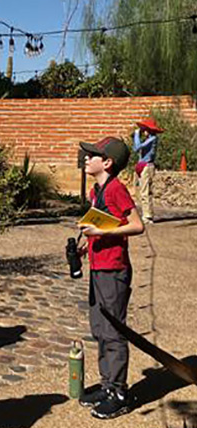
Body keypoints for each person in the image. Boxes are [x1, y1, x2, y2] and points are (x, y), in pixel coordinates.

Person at [77, 137, 144, 420]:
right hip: (99, 267)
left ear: (107, 162)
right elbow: (104, 222)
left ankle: (119, 393)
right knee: (99, 328)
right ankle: (107, 386)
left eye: (91, 154)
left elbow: (136, 225)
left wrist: (102, 234)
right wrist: (85, 245)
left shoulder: (116, 188)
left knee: (114, 332)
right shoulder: (98, 190)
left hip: (114, 270)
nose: (85, 158)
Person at [133, 118, 163, 224]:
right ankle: (143, 213)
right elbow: (135, 148)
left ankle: (148, 216)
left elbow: (137, 148)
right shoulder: (147, 139)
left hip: (147, 166)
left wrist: (136, 135)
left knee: (145, 192)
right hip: (141, 165)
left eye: (144, 129)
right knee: (139, 191)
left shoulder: (153, 139)